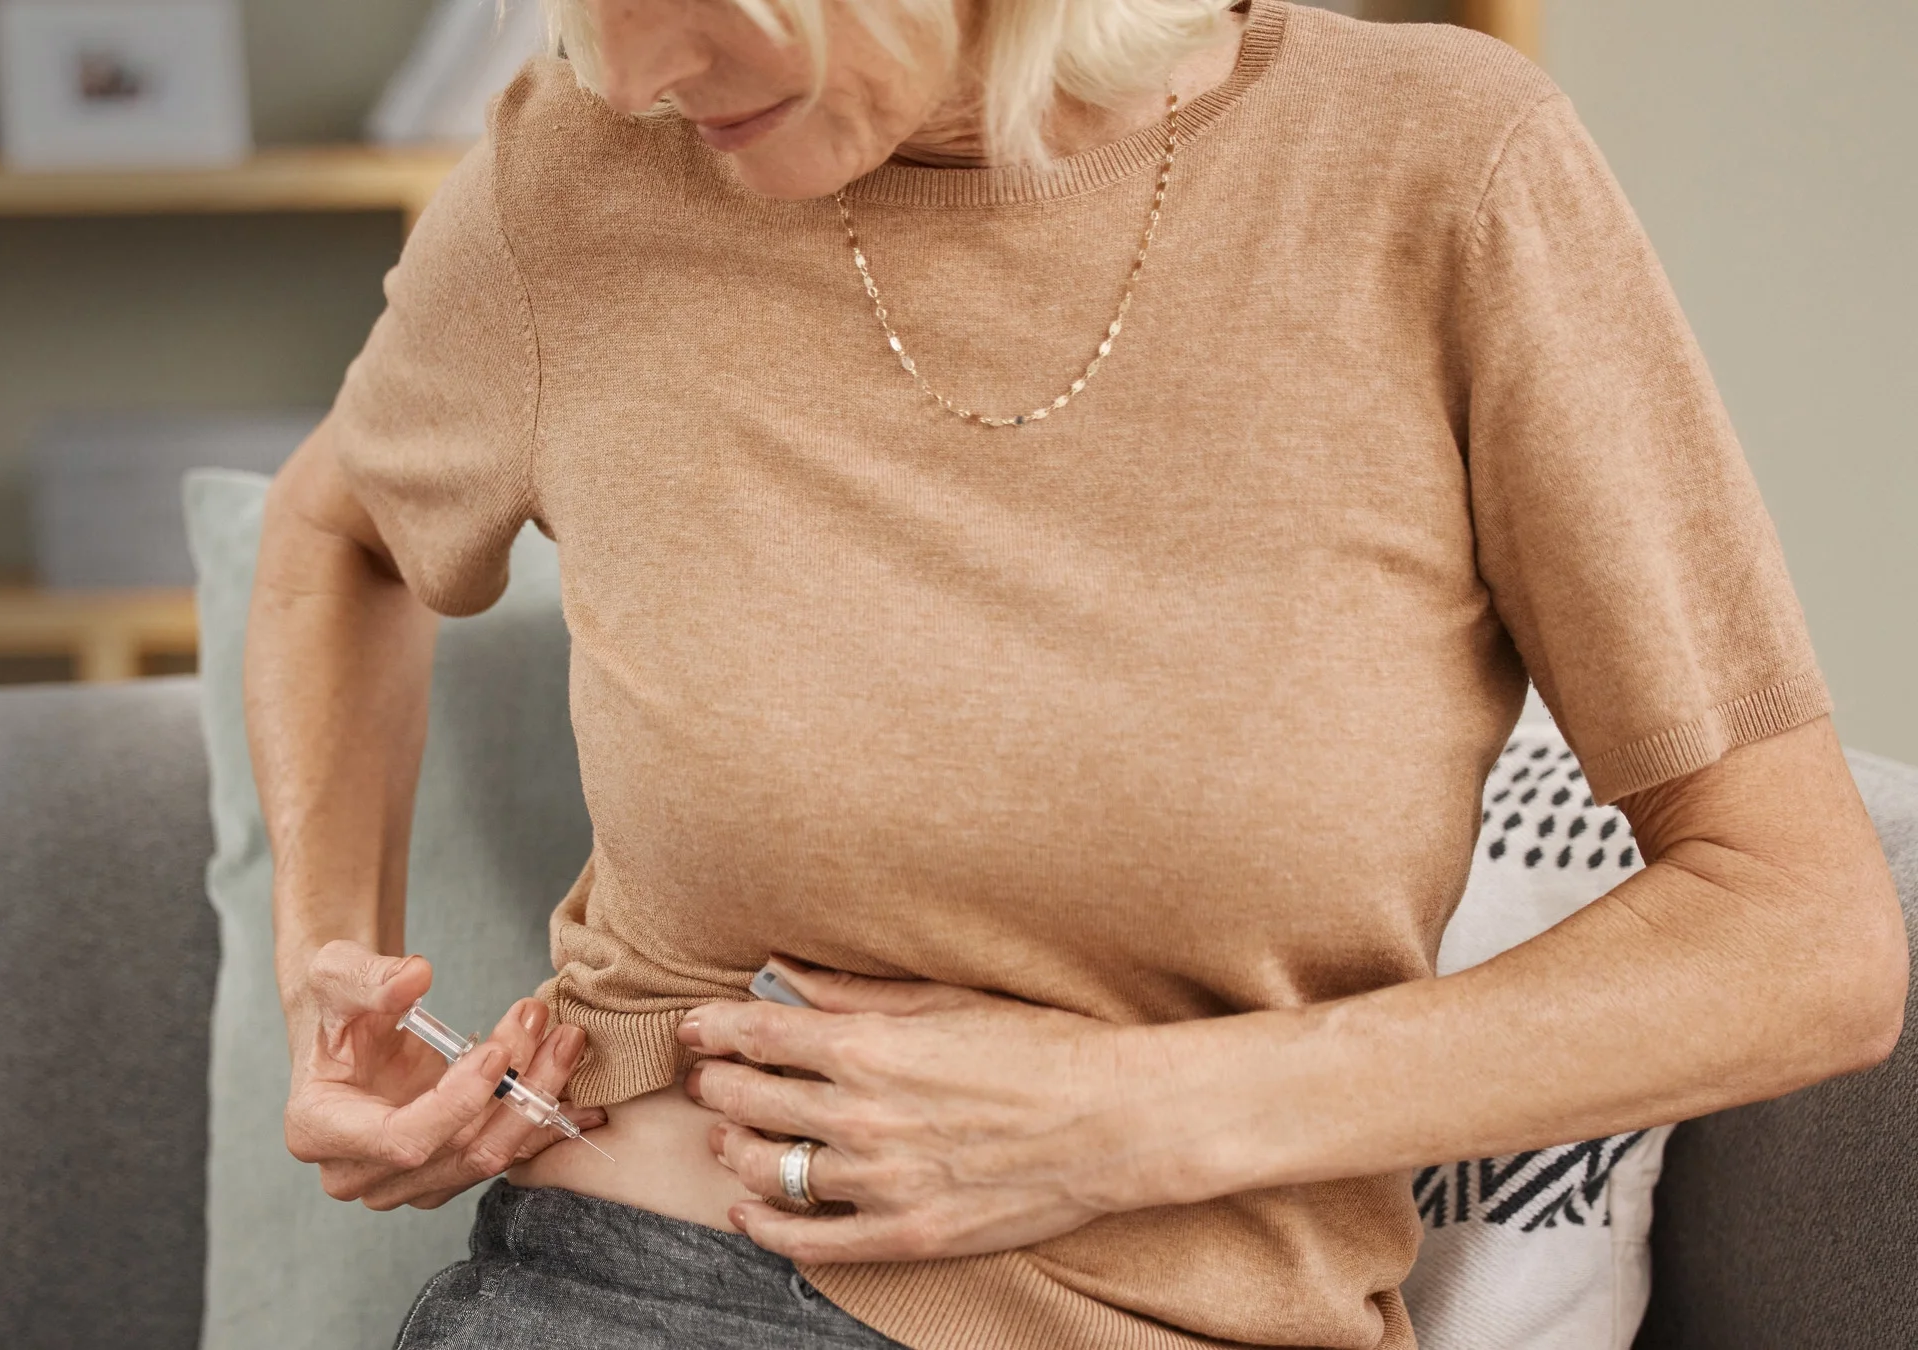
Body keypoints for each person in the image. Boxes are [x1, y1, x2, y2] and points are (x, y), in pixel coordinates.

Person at [243, 1, 1908, 1346]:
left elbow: (1804, 933)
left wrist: (1129, 1116)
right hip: (664, 1290)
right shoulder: (579, 176)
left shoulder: (1442, 171)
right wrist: (328, 965)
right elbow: (339, 526)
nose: (626, 68)